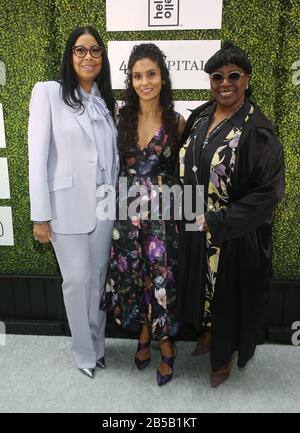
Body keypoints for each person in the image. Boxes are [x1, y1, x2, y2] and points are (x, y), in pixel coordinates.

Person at [176, 41, 285, 387]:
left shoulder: (258, 131)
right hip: (195, 226)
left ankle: (222, 356)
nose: (225, 82)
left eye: (234, 76)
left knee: (228, 295)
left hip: (231, 235)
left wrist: (219, 219)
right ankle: (207, 334)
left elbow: (268, 192)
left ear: (247, 79)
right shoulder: (200, 116)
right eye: (217, 76)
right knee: (202, 289)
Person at [28, 26, 119, 378]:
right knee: (77, 280)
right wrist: (41, 216)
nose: (88, 57)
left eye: (95, 51)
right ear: (70, 56)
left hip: (103, 208)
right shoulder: (49, 93)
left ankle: (98, 348)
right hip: (65, 207)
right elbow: (37, 157)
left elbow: (109, 160)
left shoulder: (105, 101)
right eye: (80, 50)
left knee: (97, 279)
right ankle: (83, 352)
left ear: (102, 58)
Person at [101, 43, 185, 386]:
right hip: (126, 214)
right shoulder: (121, 118)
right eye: (137, 76)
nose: (144, 82)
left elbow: (184, 174)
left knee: (161, 278)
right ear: (130, 81)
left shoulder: (177, 122)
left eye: (151, 74)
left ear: (162, 77)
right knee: (133, 277)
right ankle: (144, 334)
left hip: (163, 216)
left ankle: (167, 344)